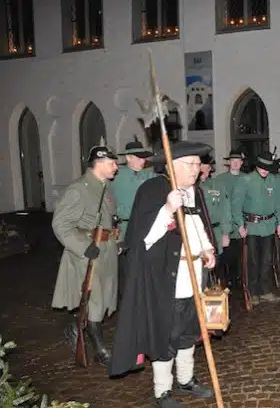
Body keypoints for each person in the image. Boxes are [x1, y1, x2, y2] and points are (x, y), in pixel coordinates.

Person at [108, 141, 217, 408]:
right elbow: (143, 238)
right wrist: (167, 209)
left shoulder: (194, 191)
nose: (197, 169)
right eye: (190, 164)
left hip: (194, 274)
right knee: (165, 332)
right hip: (165, 277)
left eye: (197, 164)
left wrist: (207, 248)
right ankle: (162, 391)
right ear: (172, 166)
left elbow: (197, 223)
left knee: (189, 330)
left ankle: (186, 378)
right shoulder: (153, 190)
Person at [51, 144, 119, 366]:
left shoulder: (105, 188)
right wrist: (82, 246)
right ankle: (100, 349)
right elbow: (60, 223)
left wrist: (116, 241)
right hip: (86, 254)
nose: (116, 167)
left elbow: (109, 221)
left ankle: (75, 327)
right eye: (112, 163)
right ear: (98, 163)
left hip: (105, 250)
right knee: (95, 301)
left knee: (105, 296)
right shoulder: (78, 189)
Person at [232, 151, 280, 305]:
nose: (265, 170)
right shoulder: (245, 180)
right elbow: (236, 205)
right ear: (256, 166)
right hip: (251, 227)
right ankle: (253, 292)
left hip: (269, 226)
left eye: (268, 168)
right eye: (262, 167)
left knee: (267, 260)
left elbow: (279, 203)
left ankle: (265, 290)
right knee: (253, 261)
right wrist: (240, 225)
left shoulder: (274, 181)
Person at [112, 137, 155, 299]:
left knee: (144, 263)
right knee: (126, 267)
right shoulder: (116, 176)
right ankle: (127, 299)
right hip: (123, 227)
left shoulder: (149, 175)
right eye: (139, 157)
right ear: (128, 158)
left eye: (144, 157)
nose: (143, 160)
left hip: (145, 226)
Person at [198, 153, 232, 285]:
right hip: (199, 232)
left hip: (216, 232)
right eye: (200, 165)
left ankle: (216, 297)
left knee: (215, 266)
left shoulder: (218, 184)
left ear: (210, 168)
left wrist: (225, 233)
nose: (202, 169)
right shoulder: (192, 185)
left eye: (205, 166)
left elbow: (225, 209)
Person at [217, 149, 245, 288]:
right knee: (227, 256)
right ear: (228, 163)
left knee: (243, 255)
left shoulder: (247, 178)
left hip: (243, 223)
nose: (235, 164)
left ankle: (242, 280)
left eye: (237, 161)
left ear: (241, 163)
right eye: (232, 161)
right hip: (227, 224)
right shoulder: (220, 180)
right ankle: (228, 281)